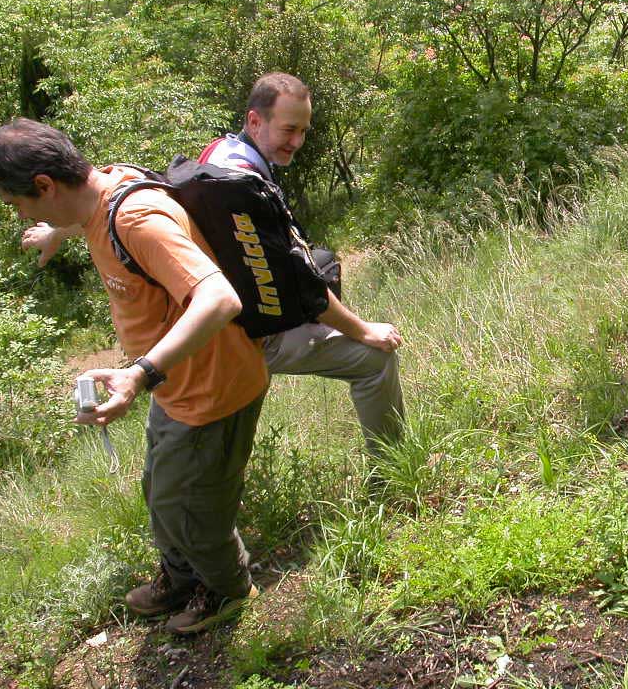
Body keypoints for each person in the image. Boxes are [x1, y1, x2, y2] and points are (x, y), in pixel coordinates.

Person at [20, 72, 405, 458]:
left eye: (303, 130)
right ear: (255, 121)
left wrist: (58, 231)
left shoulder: (217, 160)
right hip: (249, 334)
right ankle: (392, 469)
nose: (298, 142)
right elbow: (303, 284)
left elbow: (139, 200)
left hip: (210, 335)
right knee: (375, 359)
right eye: (289, 129)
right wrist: (363, 330)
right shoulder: (243, 188)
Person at [0, 119, 268, 634]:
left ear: (45, 184)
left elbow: (220, 299)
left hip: (212, 388)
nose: (19, 213)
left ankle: (228, 589)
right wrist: (57, 231)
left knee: (195, 509)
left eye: (16, 203)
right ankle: (181, 578)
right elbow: (90, 216)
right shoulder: (103, 195)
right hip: (175, 385)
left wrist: (139, 374)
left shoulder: (136, 218)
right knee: (160, 492)